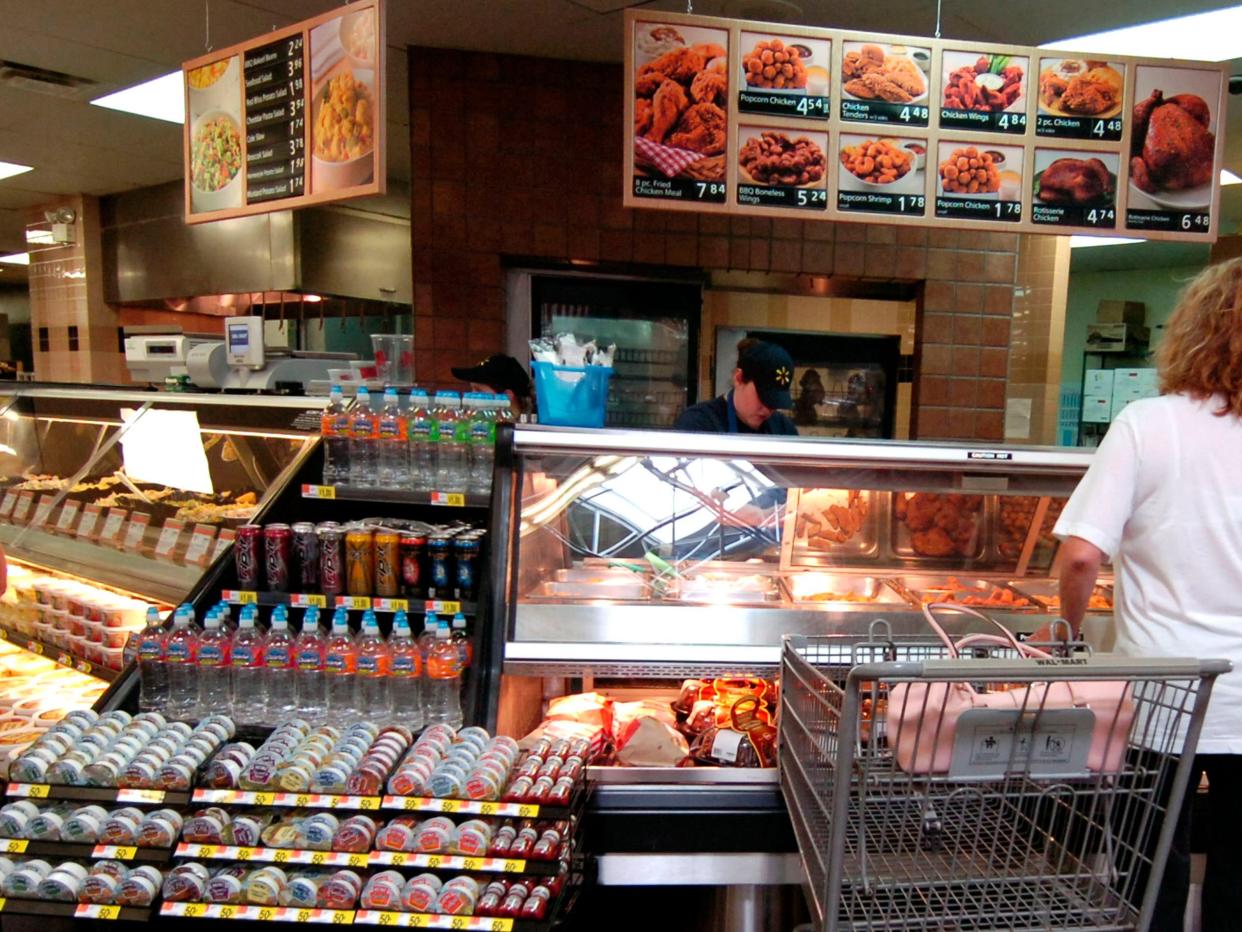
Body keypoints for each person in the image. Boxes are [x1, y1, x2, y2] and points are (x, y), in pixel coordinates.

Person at [1049, 258, 1242, 932]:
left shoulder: (1148, 423)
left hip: (1164, 699)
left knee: (1149, 874)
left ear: (1193, 332)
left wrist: (1068, 638)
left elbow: (1079, 556)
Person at [675, 338, 798, 435]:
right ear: (739, 378)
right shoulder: (698, 423)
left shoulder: (783, 429)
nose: (767, 410)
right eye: (762, 397)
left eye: (774, 402)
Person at [451, 354, 533, 416]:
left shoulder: (527, 435)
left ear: (506, 397)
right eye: (472, 389)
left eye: (479, 390)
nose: (471, 396)